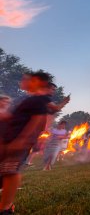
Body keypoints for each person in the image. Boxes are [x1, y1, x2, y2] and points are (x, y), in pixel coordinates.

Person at [0, 71, 51, 214]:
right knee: (5, 171)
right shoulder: (28, 99)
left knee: (10, 171)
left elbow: (37, 120)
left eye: (25, 79)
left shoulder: (39, 99)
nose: (22, 81)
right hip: (9, 139)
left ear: (36, 81)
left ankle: (5, 208)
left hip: (17, 141)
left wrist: (22, 140)